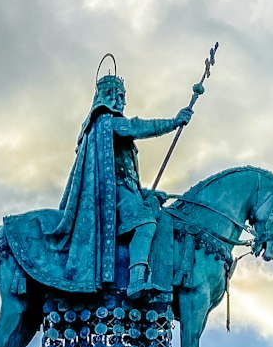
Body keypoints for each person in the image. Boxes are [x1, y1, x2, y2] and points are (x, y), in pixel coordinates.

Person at [53, 68, 195, 297]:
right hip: (114, 193)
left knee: (155, 211)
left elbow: (125, 173)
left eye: (123, 97)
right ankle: (136, 281)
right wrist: (174, 121)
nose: (121, 102)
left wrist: (145, 192)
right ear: (106, 95)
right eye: (117, 96)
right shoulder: (107, 120)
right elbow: (137, 127)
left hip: (125, 190)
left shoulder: (106, 126)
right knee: (145, 223)